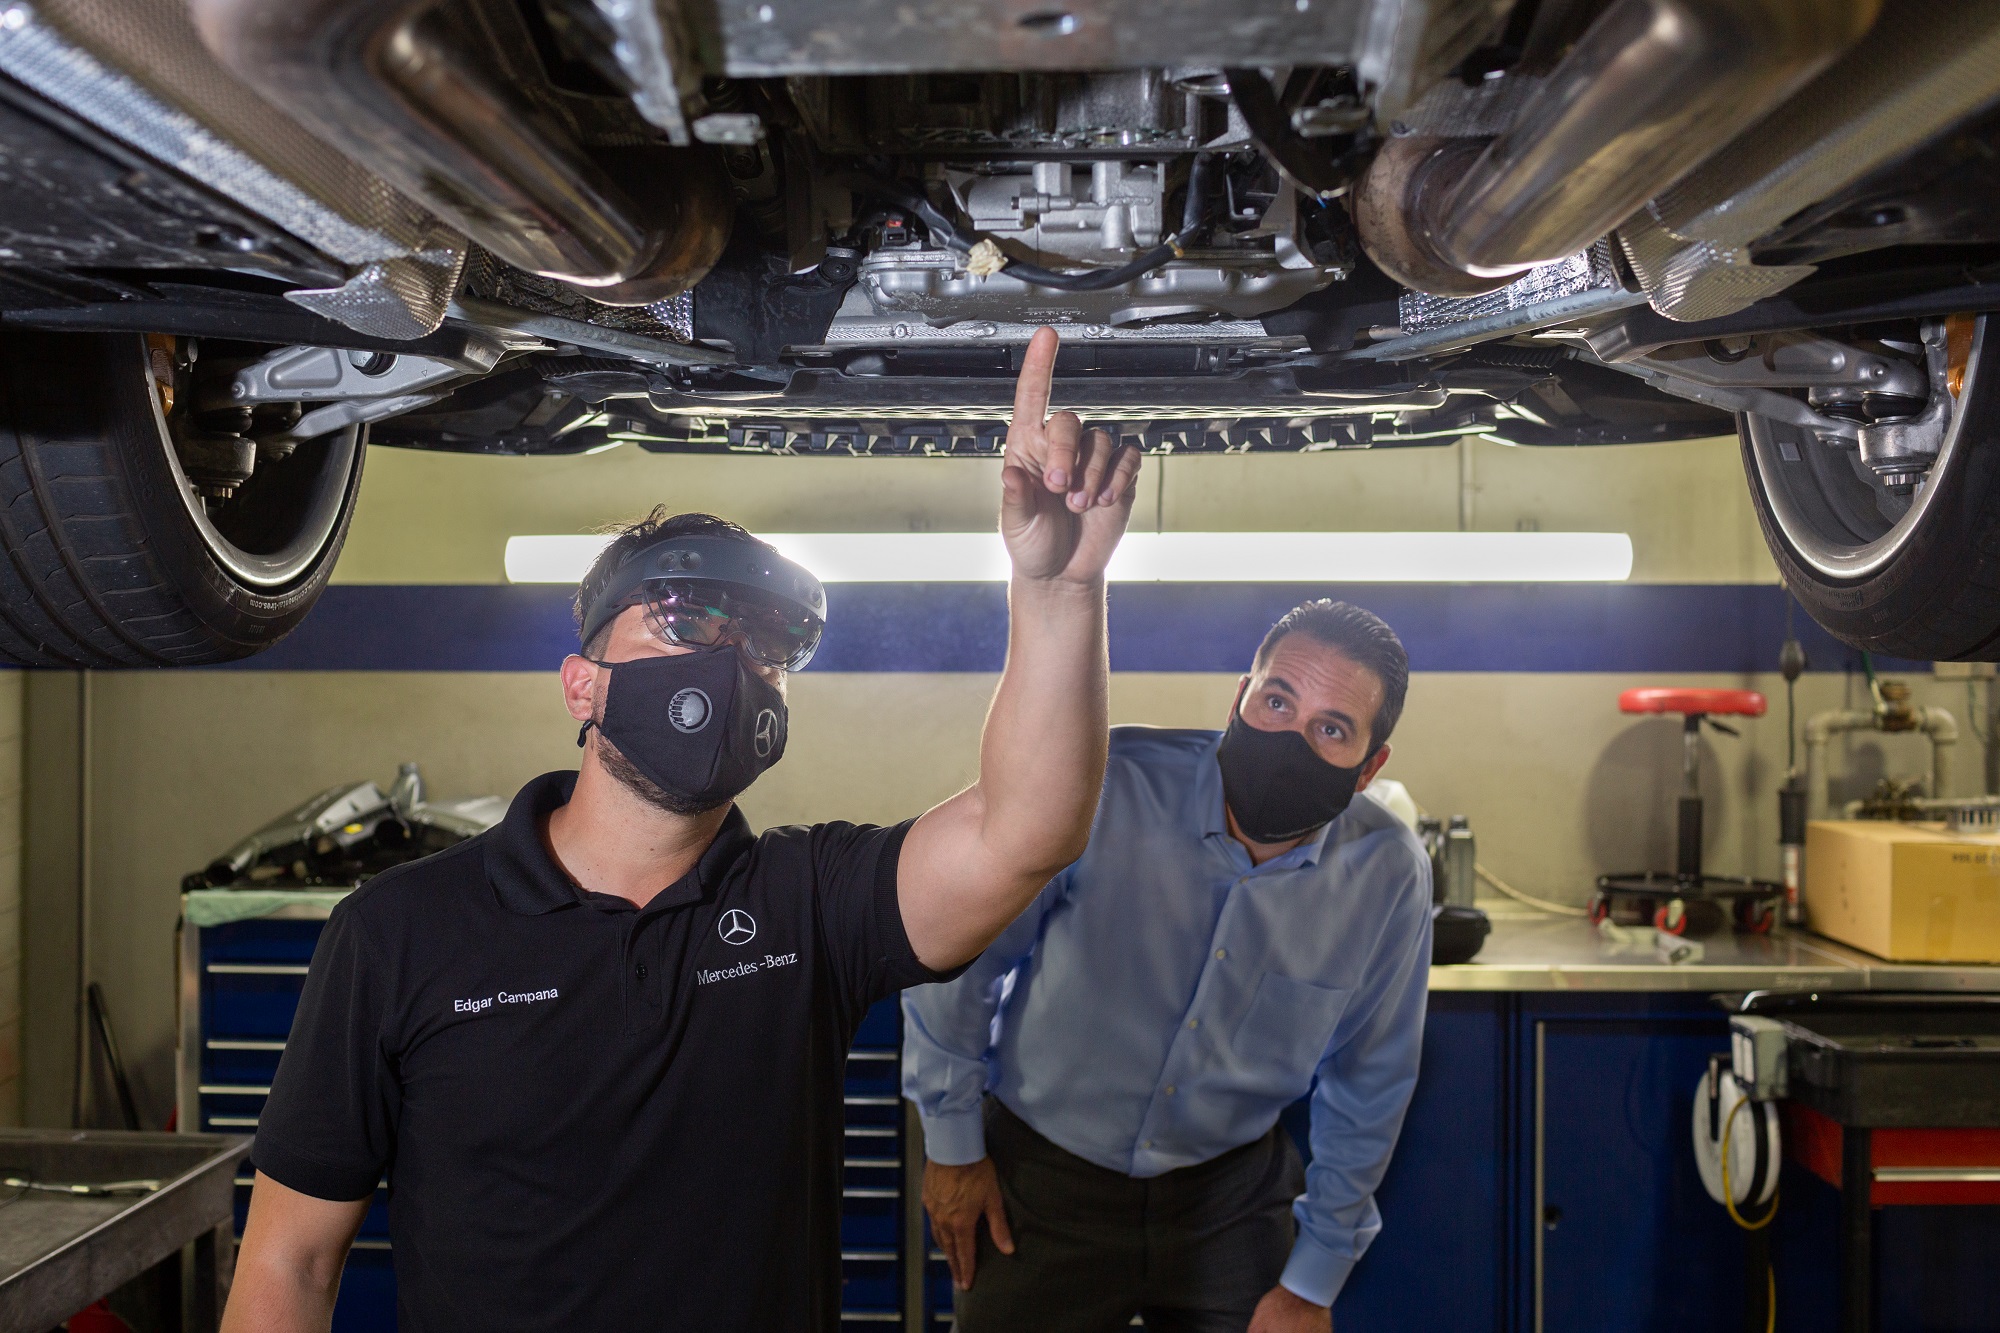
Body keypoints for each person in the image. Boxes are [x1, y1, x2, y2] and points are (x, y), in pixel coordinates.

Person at [219, 326, 1142, 1333]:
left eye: (767, 645)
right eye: (685, 620)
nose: (731, 664)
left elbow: (1025, 829)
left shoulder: (808, 904)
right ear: (582, 684)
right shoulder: (399, 930)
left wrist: (1059, 590)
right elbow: (290, 1261)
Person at [903, 600, 1432, 1333]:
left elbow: (1370, 1080)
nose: (1292, 738)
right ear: (1239, 697)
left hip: (1231, 1198)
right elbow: (962, 958)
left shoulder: (1387, 874)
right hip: (1040, 1179)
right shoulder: (1103, 783)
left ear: (1370, 767)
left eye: (1332, 728)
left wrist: (1313, 1282)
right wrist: (953, 1146)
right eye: (1278, 701)